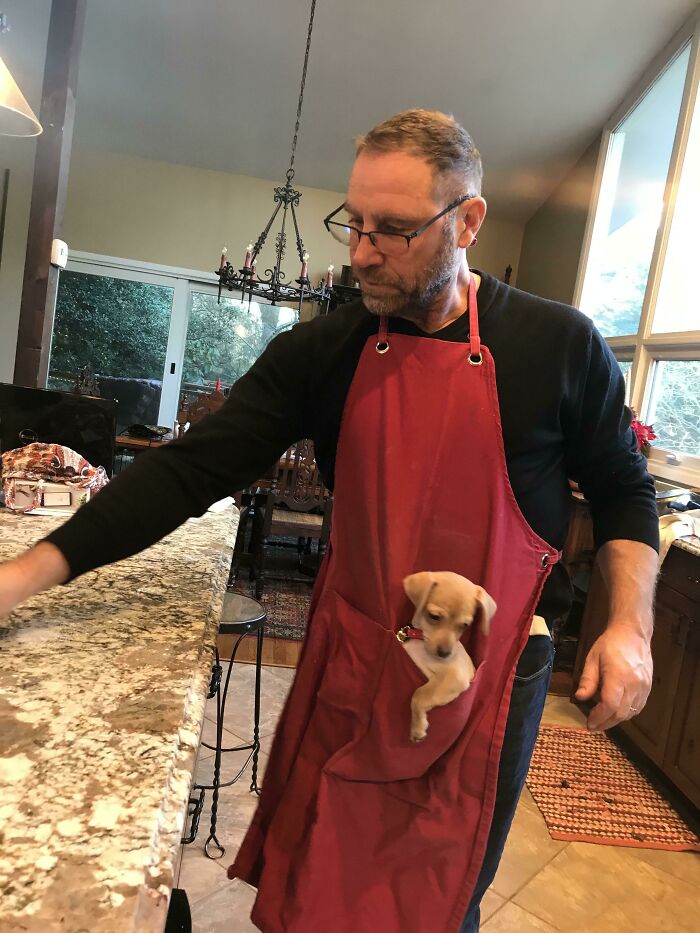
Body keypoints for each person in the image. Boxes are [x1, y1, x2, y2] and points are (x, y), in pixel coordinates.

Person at [0, 110, 658, 932]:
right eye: (354, 223)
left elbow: (626, 490)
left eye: (394, 229)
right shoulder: (327, 350)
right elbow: (186, 470)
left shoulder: (560, 345)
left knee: (432, 888)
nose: (361, 251)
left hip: (488, 673)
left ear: (470, 221)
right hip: (357, 652)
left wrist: (630, 625)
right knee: (323, 871)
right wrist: (21, 576)